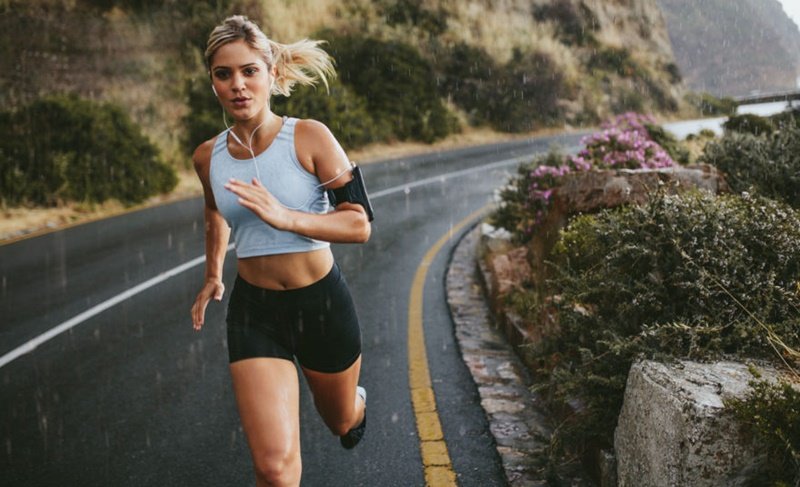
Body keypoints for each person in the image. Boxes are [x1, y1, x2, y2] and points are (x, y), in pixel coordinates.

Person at [189, 15, 372, 487]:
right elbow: (215, 211)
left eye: (249, 70)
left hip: (321, 305)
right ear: (212, 83)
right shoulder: (208, 156)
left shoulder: (310, 136)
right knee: (273, 468)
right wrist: (213, 272)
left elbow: (359, 223)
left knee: (341, 422)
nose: (238, 85)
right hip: (256, 313)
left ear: (271, 73)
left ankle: (356, 406)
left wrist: (286, 216)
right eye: (223, 74)